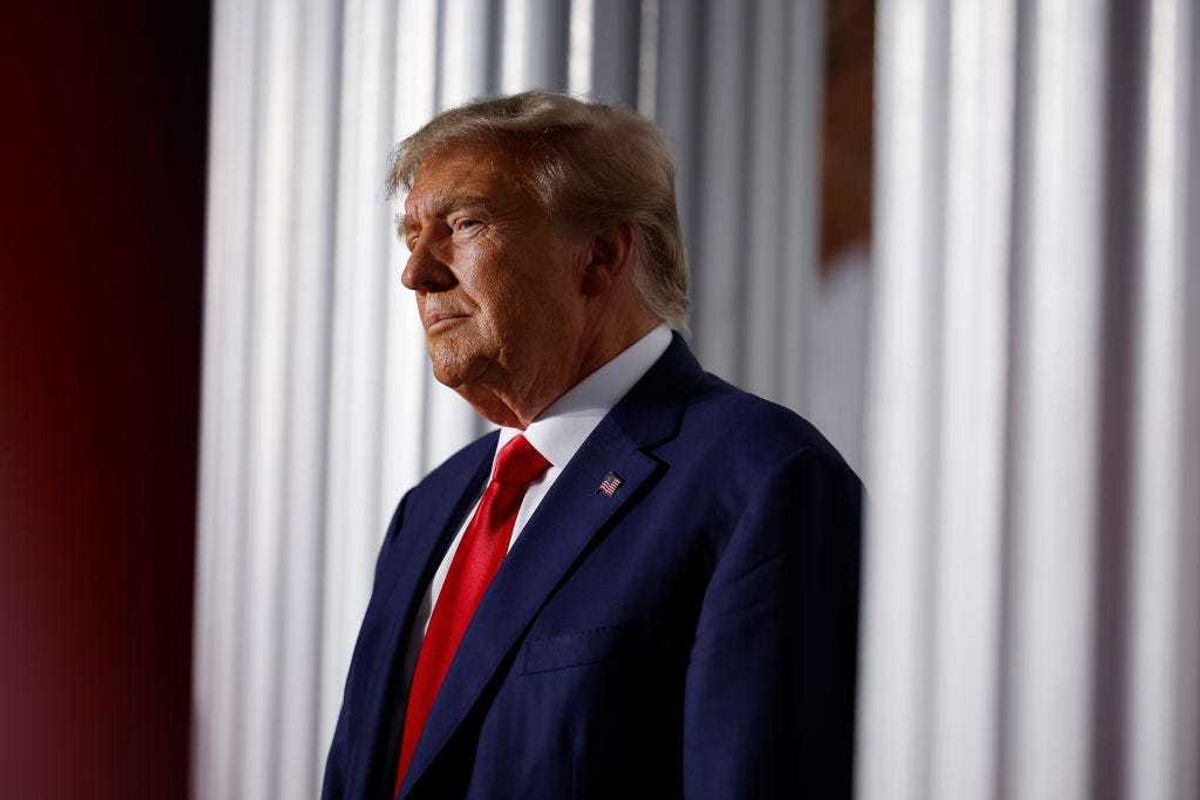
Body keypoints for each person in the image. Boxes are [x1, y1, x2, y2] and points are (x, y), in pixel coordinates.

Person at [322, 91, 862, 800]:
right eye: (412, 235)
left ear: (602, 255)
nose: (417, 273)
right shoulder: (428, 509)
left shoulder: (764, 479)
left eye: (465, 223)